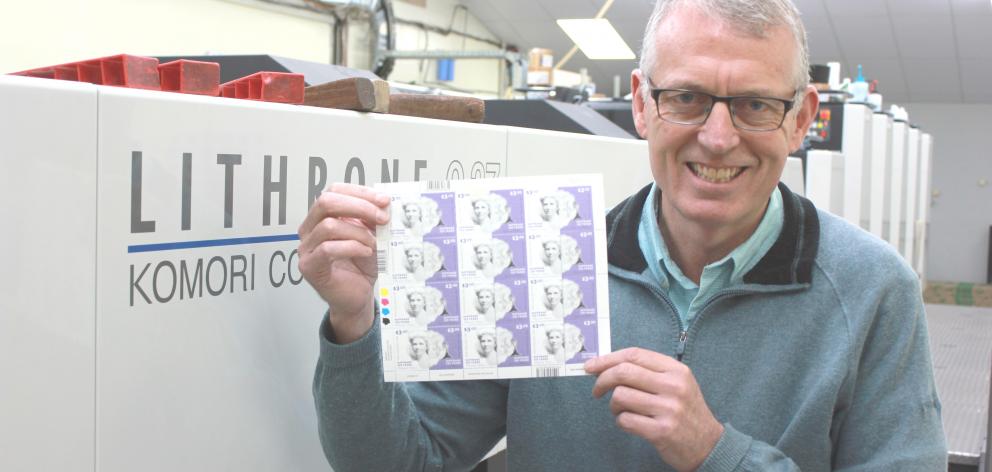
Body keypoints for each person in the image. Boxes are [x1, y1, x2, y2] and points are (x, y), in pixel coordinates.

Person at [299, 0, 946, 469]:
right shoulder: (542, 261)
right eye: (686, 98)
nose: (718, 137)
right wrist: (356, 325)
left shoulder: (871, 291)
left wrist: (717, 454)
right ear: (641, 104)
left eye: (755, 104)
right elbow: (405, 463)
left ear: (801, 116)